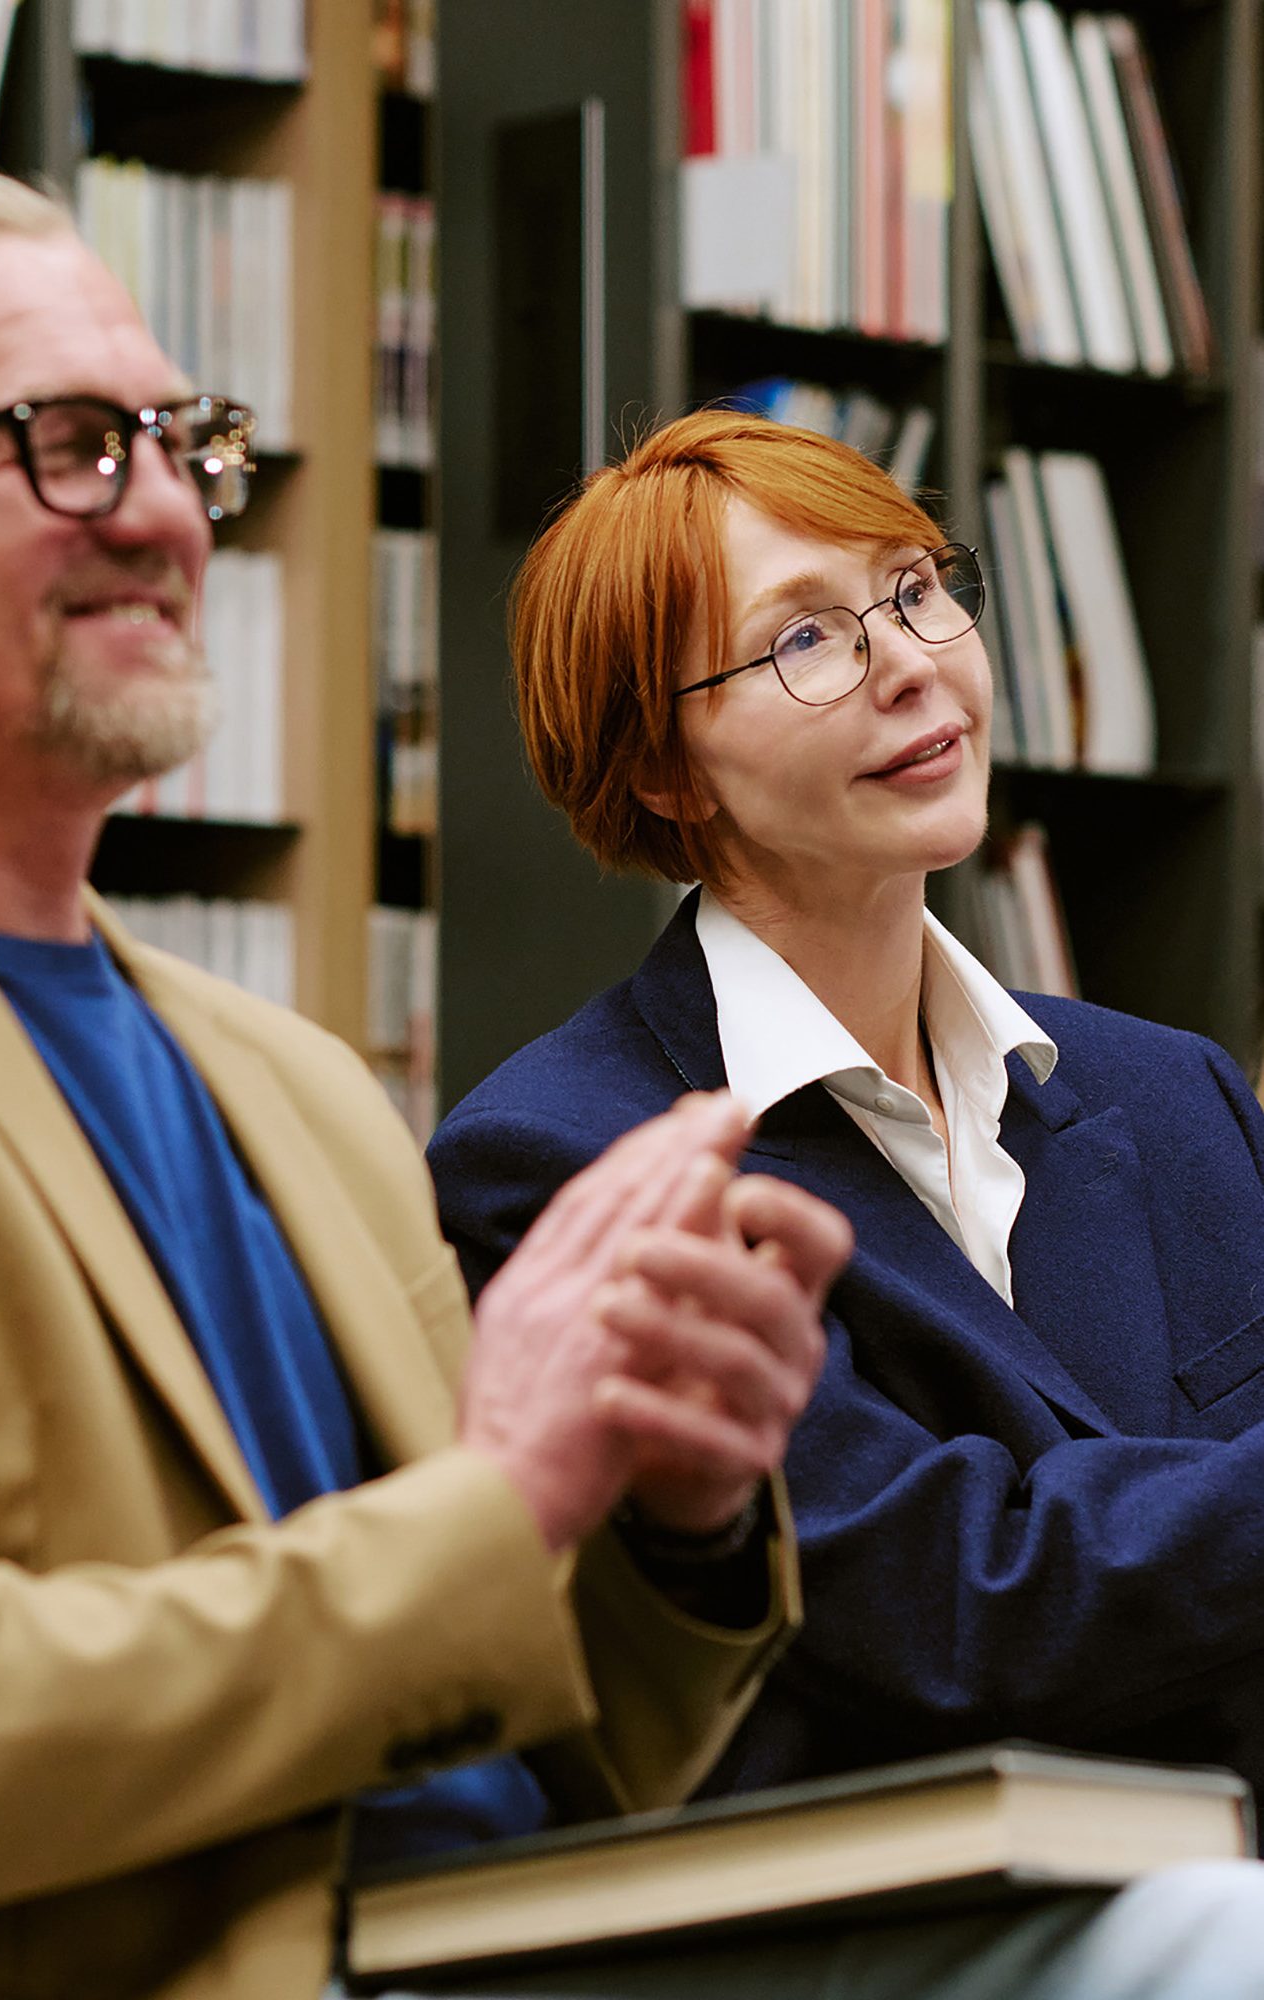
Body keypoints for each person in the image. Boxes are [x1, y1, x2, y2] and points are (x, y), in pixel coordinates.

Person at [0, 174, 852, 2000]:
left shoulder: (297, 1086)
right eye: (75, 448)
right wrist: (504, 1496)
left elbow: (573, 1755)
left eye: (185, 444)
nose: (175, 515)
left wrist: (672, 1512)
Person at [427, 408, 1264, 1992]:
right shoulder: (567, 1162)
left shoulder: (1171, 1090)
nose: (907, 665)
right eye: (803, 638)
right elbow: (961, 1607)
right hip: (896, 1931)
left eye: (916, 591)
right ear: (663, 767)